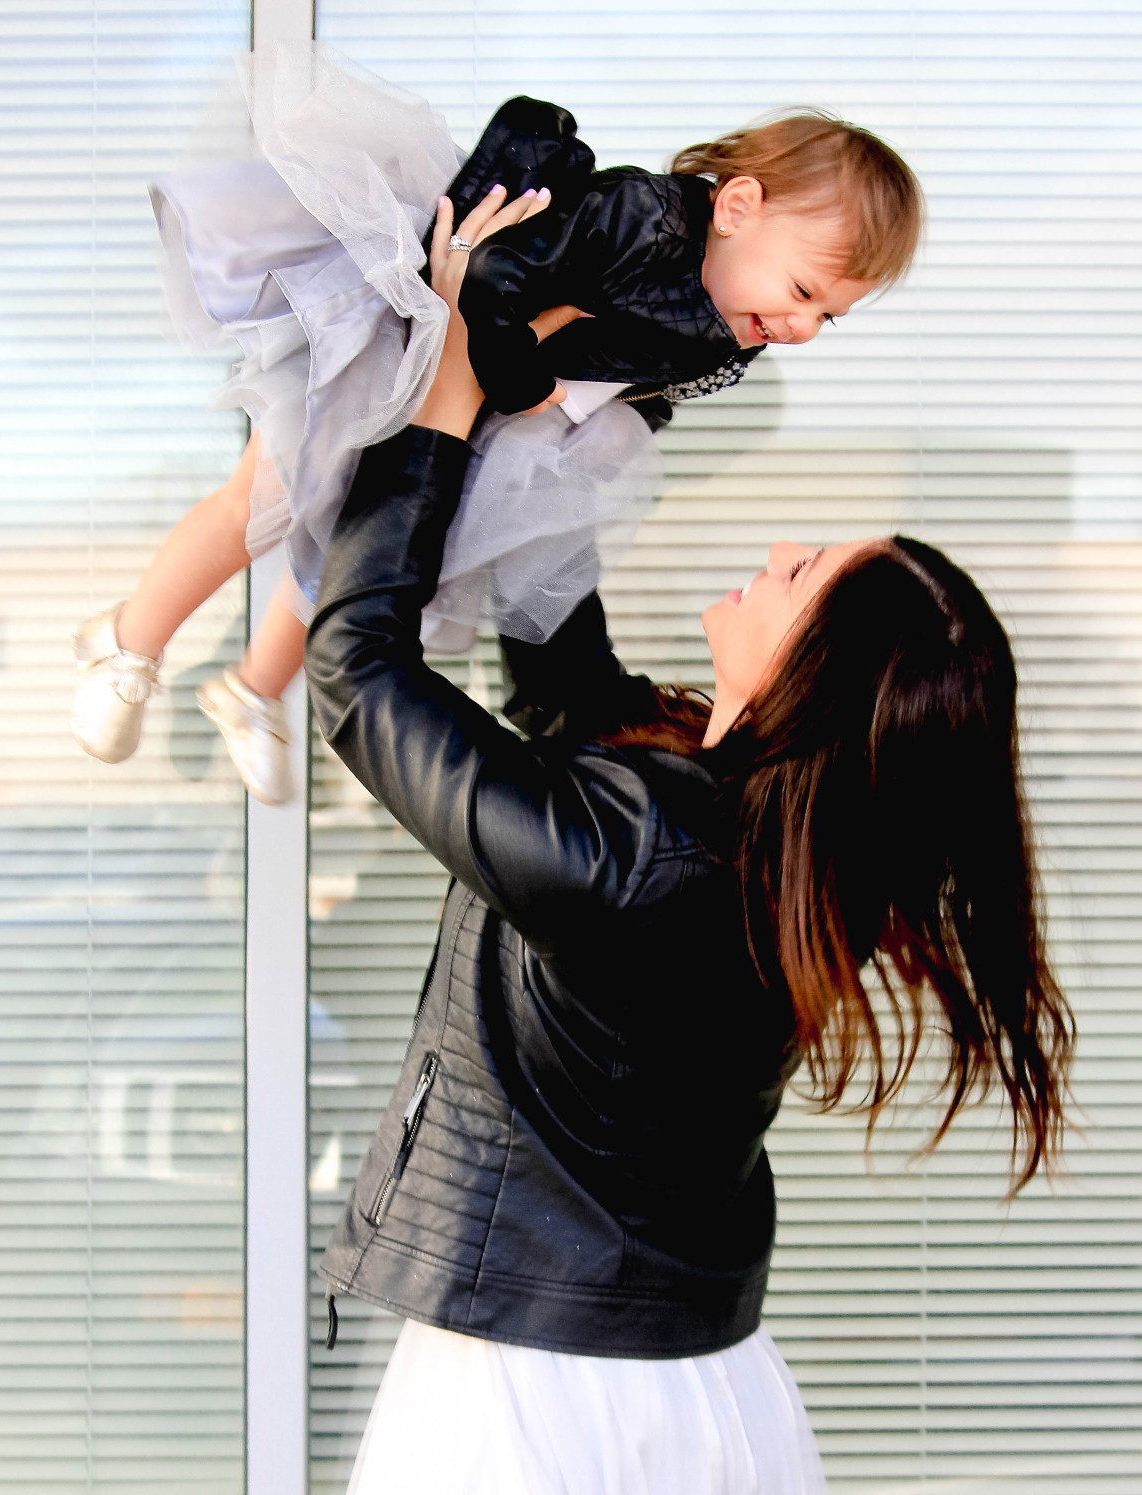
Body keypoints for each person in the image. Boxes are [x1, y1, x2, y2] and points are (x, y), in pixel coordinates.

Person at [298, 189, 1073, 1495]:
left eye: (805, 569)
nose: (777, 548)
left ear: (812, 670)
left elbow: (356, 672)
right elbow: (556, 683)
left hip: (541, 1395)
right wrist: (558, 408)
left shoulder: (649, 842)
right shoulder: (762, 834)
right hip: (696, 1376)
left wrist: (436, 397)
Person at [71, 40, 922, 804]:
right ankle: (126, 642)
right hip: (407, 325)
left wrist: (576, 430)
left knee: (341, 541)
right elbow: (494, 276)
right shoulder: (644, 220)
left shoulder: (733, 329)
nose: (803, 327)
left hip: (477, 401)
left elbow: (637, 389)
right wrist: (529, 383)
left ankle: (254, 690)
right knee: (265, 496)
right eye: (805, 293)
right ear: (737, 207)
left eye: (828, 317)